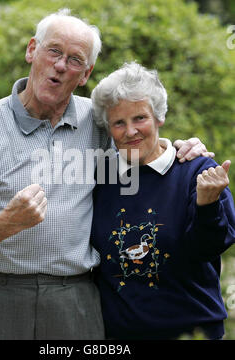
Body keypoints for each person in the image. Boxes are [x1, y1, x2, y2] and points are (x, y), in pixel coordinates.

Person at [0, 9, 212, 340]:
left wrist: (184, 148)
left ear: (85, 74)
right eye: (53, 51)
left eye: (75, 60)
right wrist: (5, 223)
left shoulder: (98, 122)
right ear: (31, 51)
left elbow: (141, 149)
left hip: (76, 299)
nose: (61, 65)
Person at [90, 61, 235, 340]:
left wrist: (207, 206)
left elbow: (211, 247)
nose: (130, 131)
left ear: (159, 117)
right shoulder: (101, 179)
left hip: (192, 332)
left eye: (139, 118)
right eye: (119, 122)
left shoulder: (197, 171)